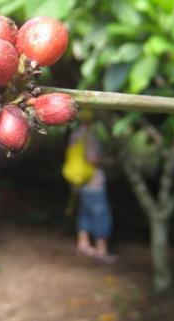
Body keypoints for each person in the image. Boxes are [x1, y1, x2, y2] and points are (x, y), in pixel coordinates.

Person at [70, 110, 116, 264]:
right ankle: (101, 250)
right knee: (100, 214)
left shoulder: (75, 135)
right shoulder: (90, 136)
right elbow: (92, 159)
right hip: (93, 181)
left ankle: (83, 243)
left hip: (79, 180)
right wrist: (108, 161)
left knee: (85, 212)